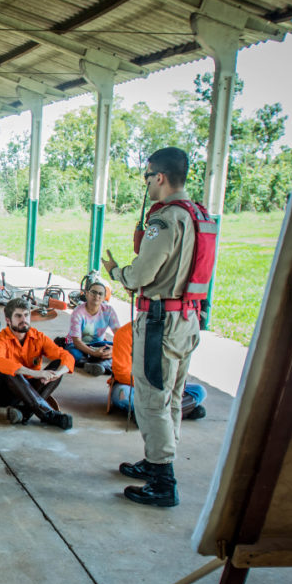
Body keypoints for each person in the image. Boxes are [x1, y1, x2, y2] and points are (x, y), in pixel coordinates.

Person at [102, 146, 203, 507]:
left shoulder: (165, 220)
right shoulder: (196, 216)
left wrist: (117, 272)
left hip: (161, 321)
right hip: (187, 318)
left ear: (159, 176)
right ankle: (157, 460)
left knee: (151, 399)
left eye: (147, 177)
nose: (147, 184)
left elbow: (141, 275)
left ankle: (163, 480)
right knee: (171, 396)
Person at [0, 298, 75, 430]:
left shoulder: (38, 337)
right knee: (8, 371)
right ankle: (47, 414)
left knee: (59, 364)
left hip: (30, 388)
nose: (24, 319)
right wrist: (35, 373)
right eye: (18, 316)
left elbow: (66, 356)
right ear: (8, 320)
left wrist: (58, 373)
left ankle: (24, 411)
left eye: (26, 315)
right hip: (7, 390)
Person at [108, 322, 206, 421]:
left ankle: (148, 415)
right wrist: (151, 386)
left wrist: (172, 384)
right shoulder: (124, 333)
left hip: (164, 388)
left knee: (199, 391)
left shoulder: (169, 332)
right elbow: (121, 373)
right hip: (134, 386)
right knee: (124, 395)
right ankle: (182, 410)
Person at [64, 278, 121, 376]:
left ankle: (96, 364)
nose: (96, 296)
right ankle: (102, 364)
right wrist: (94, 353)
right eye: (93, 292)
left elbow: (120, 336)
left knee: (124, 349)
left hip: (98, 343)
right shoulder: (78, 312)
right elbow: (77, 341)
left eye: (100, 294)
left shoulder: (109, 310)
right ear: (86, 294)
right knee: (74, 355)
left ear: (104, 297)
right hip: (77, 345)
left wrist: (113, 349)